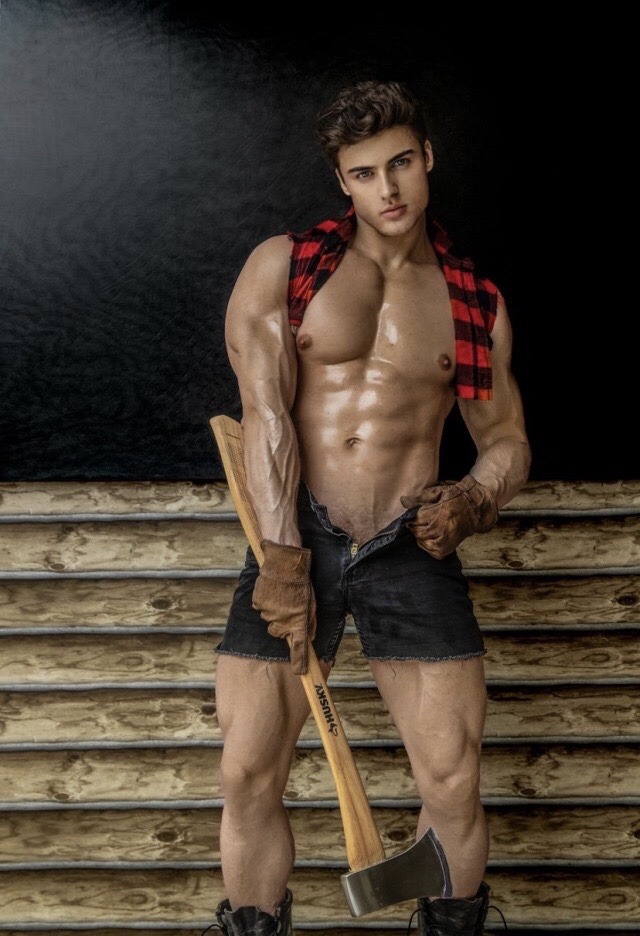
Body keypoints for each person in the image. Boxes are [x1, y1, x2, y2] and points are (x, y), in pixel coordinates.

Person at [206, 79, 531, 936]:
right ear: (340, 180)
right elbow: (265, 415)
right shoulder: (288, 267)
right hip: (294, 532)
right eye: (363, 173)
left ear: (428, 159)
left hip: (411, 542)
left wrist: (473, 499)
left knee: (453, 778)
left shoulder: (472, 300)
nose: (387, 189)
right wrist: (283, 556)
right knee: (246, 771)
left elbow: (506, 440)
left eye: (401, 164)